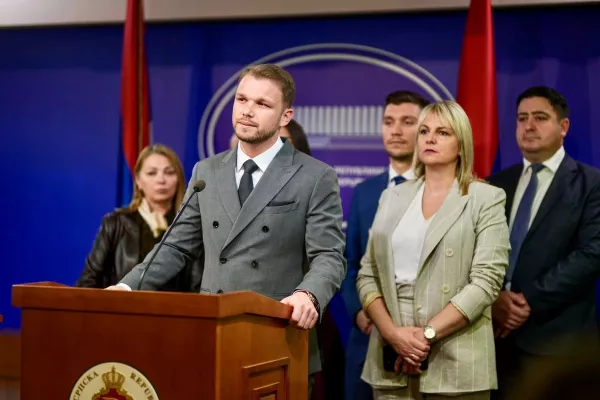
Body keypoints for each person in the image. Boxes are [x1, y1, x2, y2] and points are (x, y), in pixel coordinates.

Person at [107, 64, 347, 396]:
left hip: (276, 339)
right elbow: (176, 247)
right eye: (242, 99)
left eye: (262, 104)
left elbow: (329, 256)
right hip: (213, 335)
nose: (248, 111)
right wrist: (127, 287)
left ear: (285, 116)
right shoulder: (206, 171)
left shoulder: (315, 176)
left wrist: (309, 295)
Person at [357, 100, 509, 399]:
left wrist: (425, 335)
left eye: (442, 132)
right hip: (391, 356)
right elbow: (367, 274)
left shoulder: (486, 198)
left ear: (461, 145)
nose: (429, 138)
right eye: (425, 130)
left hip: (456, 359)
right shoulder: (392, 196)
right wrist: (392, 334)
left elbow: (487, 282)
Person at [487, 86, 600, 399]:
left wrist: (526, 301)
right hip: (494, 339)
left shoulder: (591, 184)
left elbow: (592, 255)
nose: (528, 126)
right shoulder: (498, 184)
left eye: (540, 118)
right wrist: (495, 299)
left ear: (563, 127)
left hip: (558, 342)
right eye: (522, 118)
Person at [339, 90, 430, 400]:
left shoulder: (439, 191)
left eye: (407, 122)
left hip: (422, 340)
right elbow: (350, 262)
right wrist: (359, 313)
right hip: (367, 337)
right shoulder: (366, 192)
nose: (396, 130)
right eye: (389, 121)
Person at [76, 144, 202, 292]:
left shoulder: (191, 226)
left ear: (179, 179)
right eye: (151, 173)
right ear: (138, 180)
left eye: (169, 172)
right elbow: (88, 283)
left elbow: (198, 287)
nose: (161, 180)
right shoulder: (116, 223)